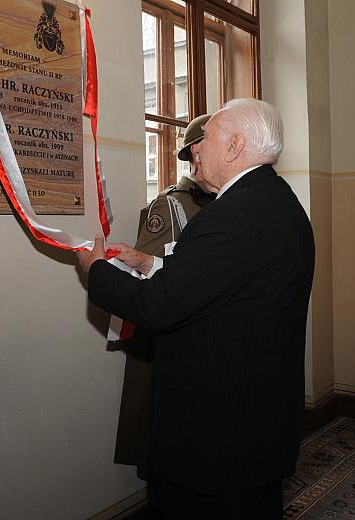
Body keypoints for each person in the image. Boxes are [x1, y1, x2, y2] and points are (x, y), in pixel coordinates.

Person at [77, 98, 314, 519]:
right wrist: (150, 262)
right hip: (259, 418)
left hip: (218, 431)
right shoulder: (278, 202)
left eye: (206, 138)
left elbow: (156, 307)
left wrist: (96, 270)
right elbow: (232, 284)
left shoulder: (231, 214)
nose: (197, 149)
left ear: (236, 145)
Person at [113, 114, 214, 509]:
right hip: (170, 340)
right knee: (166, 447)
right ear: (195, 154)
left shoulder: (230, 203)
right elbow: (149, 280)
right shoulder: (172, 206)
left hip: (209, 342)